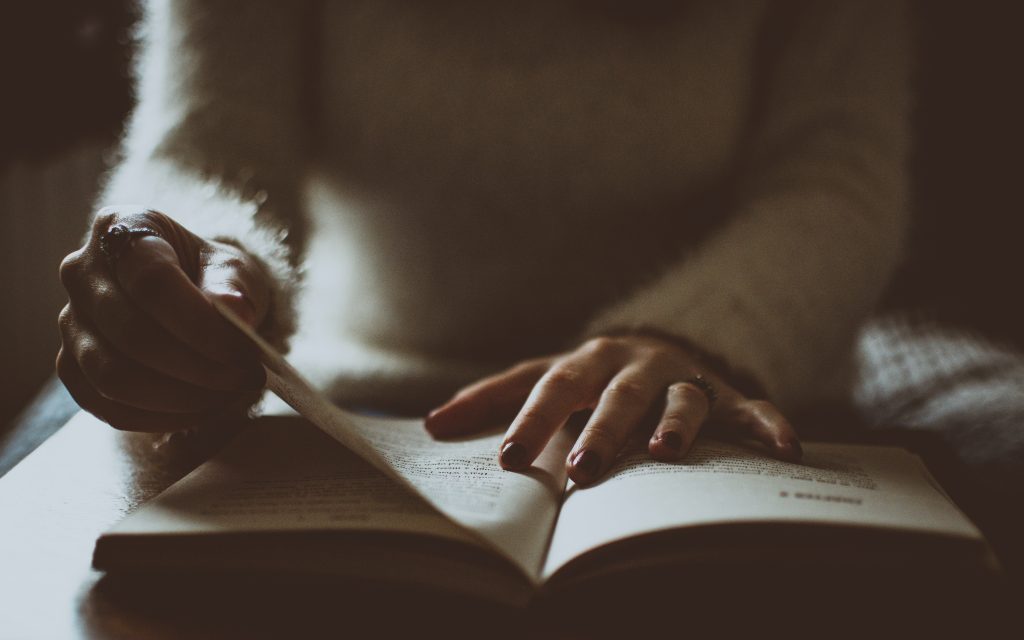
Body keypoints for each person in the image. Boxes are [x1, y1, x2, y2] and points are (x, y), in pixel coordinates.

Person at [56, 0, 910, 487]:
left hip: (704, 401)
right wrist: (191, 269)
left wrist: (694, 338)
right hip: (344, 401)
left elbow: (836, 179)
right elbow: (204, 147)